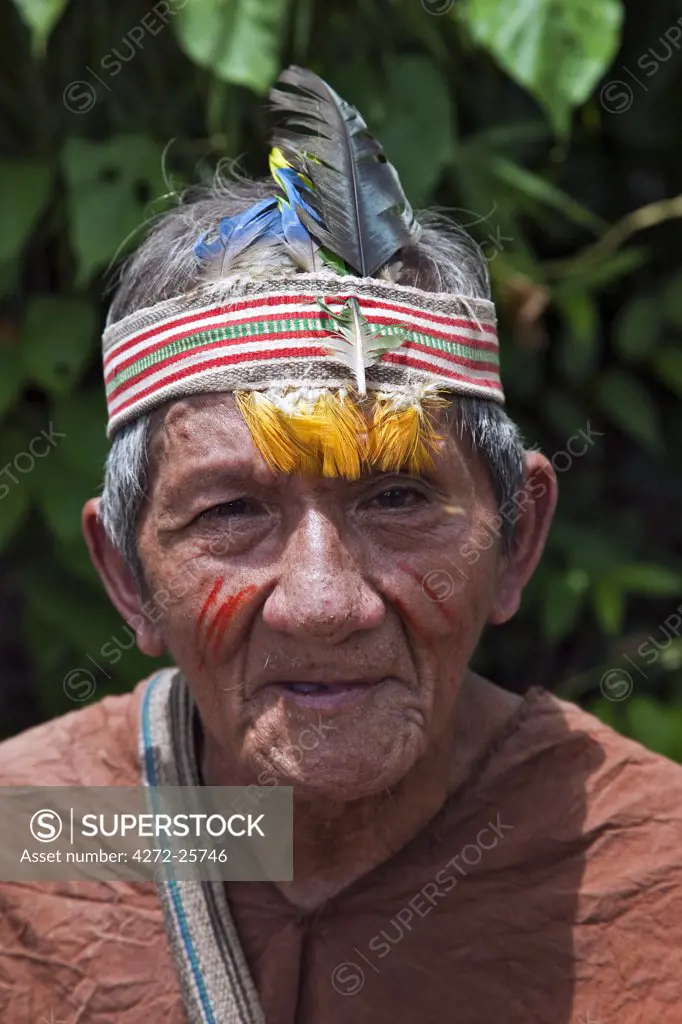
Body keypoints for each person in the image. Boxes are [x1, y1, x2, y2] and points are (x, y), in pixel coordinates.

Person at [1, 66, 680, 1024]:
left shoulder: (650, 865)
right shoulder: (34, 834)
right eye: (231, 513)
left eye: (398, 497)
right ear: (125, 576)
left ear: (519, 536)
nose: (324, 603)